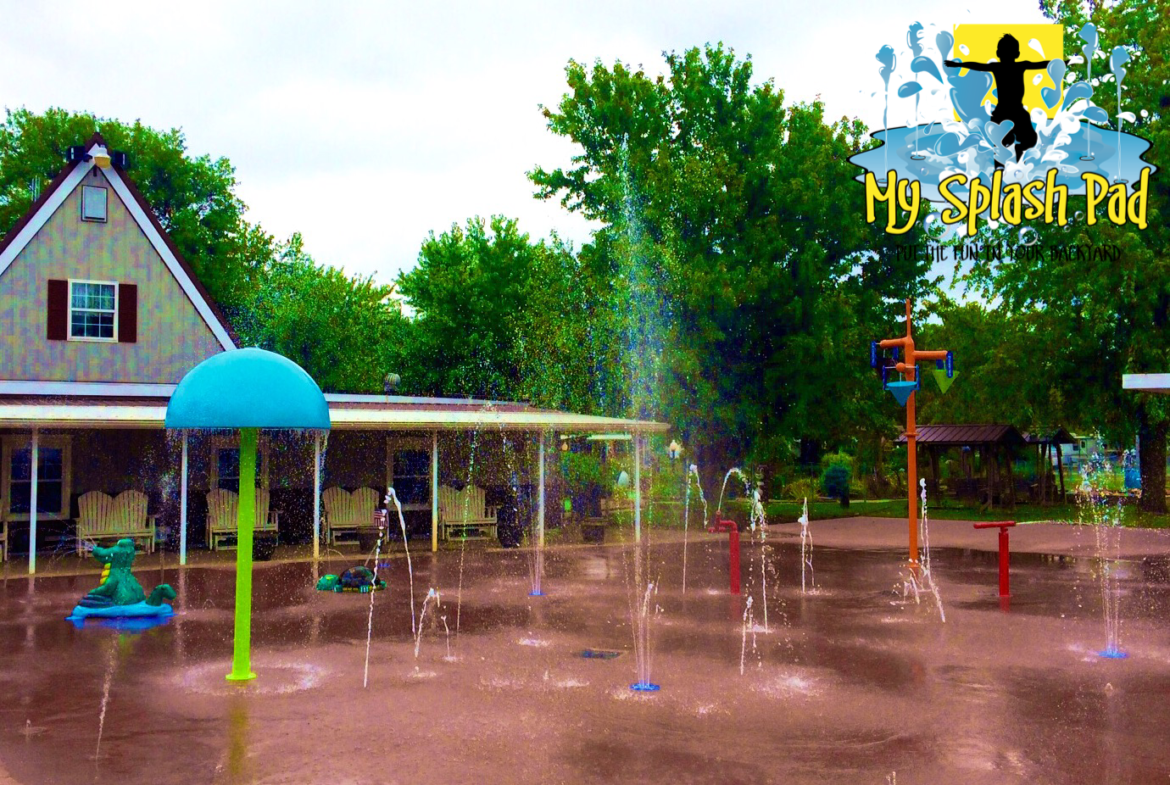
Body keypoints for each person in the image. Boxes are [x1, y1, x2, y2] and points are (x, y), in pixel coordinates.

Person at [945, 34, 1056, 161]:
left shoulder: (1001, 66)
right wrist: (1060, 64)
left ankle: (1011, 156)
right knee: (1020, 141)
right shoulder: (1015, 66)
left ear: (998, 53)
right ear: (1017, 54)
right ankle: (1014, 154)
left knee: (1014, 142)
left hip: (1006, 112)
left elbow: (977, 65)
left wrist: (958, 65)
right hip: (1011, 111)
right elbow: (1042, 64)